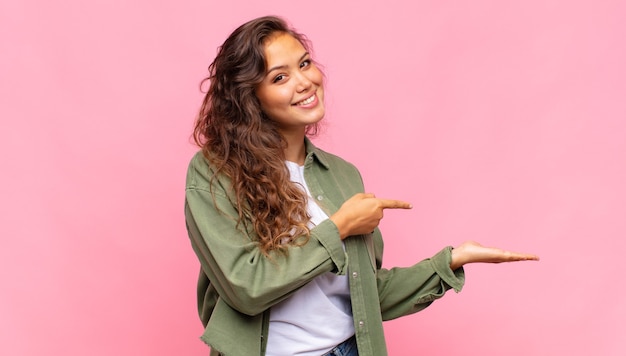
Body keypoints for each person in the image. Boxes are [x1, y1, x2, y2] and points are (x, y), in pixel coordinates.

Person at [184, 15, 539, 356]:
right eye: (280, 78)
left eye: (305, 64)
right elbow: (246, 287)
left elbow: (366, 292)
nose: (304, 82)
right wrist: (339, 228)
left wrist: (450, 261)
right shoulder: (215, 174)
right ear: (250, 97)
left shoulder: (342, 175)